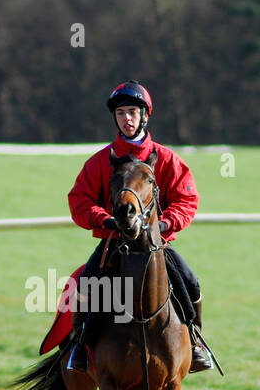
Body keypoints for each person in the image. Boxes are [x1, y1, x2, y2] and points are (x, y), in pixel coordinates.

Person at [66, 80, 212, 373]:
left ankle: (196, 343)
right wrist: (105, 220)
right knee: (85, 282)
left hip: (156, 245)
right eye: (121, 113)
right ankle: (80, 347)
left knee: (191, 281)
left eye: (132, 112)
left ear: (145, 115)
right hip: (113, 243)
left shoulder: (168, 159)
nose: (127, 119)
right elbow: (79, 200)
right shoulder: (99, 161)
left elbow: (186, 199)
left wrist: (167, 222)